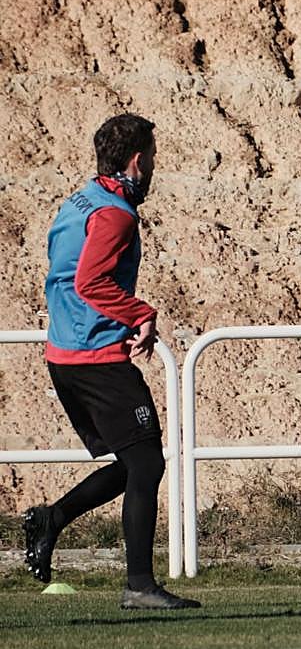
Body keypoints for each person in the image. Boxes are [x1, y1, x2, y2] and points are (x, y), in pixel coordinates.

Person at [24, 114, 200, 610]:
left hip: (66, 351)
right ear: (139, 161)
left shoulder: (82, 198)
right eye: (154, 160)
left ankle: (52, 519)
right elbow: (90, 283)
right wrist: (140, 313)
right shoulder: (116, 214)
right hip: (93, 358)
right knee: (146, 463)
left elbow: (65, 274)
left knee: (135, 461)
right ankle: (139, 586)